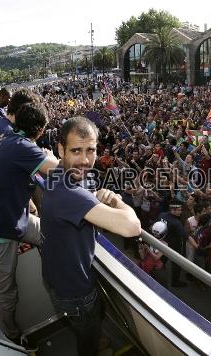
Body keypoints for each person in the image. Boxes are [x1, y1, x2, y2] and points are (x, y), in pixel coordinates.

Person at [41, 117, 140, 356]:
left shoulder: (57, 174)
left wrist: (94, 196)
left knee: (88, 329)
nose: (85, 160)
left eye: (91, 150)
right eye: (76, 151)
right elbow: (132, 227)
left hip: (58, 280)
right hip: (76, 292)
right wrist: (116, 201)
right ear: (61, 149)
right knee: (87, 338)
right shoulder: (71, 195)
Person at [0, 102, 59, 348]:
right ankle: (12, 336)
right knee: (8, 293)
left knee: (50, 234)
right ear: (40, 130)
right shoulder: (24, 147)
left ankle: (53, 281)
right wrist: (52, 157)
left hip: (13, 218)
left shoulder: (10, 137)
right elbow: (61, 170)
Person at [160, 201, 187, 287]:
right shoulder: (176, 223)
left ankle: (158, 269)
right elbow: (183, 235)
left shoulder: (162, 215)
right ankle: (175, 281)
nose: (180, 211)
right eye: (179, 210)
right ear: (173, 210)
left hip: (163, 242)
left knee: (162, 258)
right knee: (176, 263)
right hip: (174, 245)